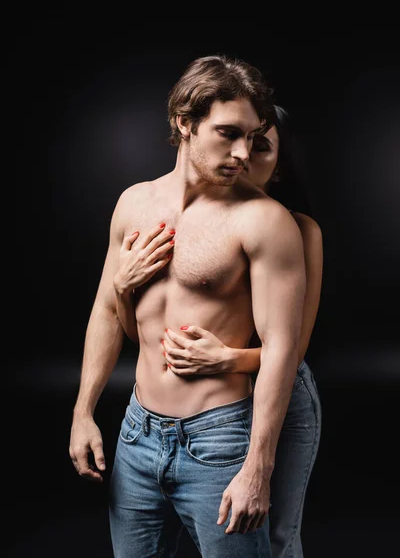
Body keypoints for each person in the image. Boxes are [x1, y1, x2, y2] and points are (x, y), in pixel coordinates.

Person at [69, 55, 306, 558]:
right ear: (185, 122)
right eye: (228, 133)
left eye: (253, 136)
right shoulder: (134, 202)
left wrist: (257, 468)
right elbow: (107, 314)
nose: (243, 152)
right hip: (136, 434)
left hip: (218, 440)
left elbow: (283, 350)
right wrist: (83, 412)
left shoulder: (265, 222)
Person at [114, 105, 323, 558]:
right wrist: (122, 288)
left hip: (282, 390)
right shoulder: (202, 216)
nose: (244, 156)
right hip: (206, 406)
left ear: (282, 163)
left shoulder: (295, 229)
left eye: (260, 146)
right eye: (236, 139)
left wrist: (225, 358)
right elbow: (138, 330)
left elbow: (291, 348)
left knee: (277, 535)